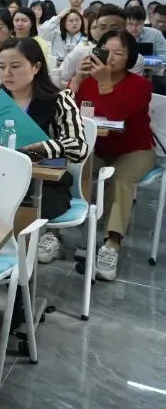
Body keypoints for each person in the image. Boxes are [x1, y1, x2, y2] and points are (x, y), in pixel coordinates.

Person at [62, 30, 156, 279]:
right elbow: (67, 110)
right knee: (69, 168)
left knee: (120, 179)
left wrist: (104, 82)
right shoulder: (88, 81)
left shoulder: (141, 85)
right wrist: (77, 79)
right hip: (97, 147)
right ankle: (54, 230)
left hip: (134, 149)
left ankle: (111, 243)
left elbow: (117, 114)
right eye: (106, 52)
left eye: (119, 53)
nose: (111, 58)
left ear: (130, 57)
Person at [0, 38, 87, 219]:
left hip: (43, 183)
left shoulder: (59, 100)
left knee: (19, 208)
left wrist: (40, 146)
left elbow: (78, 147)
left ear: (36, 67)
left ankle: (32, 234)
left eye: (15, 66)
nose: (7, 73)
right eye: (1, 67)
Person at [59, 4, 145, 88]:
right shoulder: (80, 53)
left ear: (125, 30)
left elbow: (131, 91)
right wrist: (77, 79)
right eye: (102, 27)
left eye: (114, 28)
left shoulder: (135, 59)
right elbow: (60, 81)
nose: (107, 32)